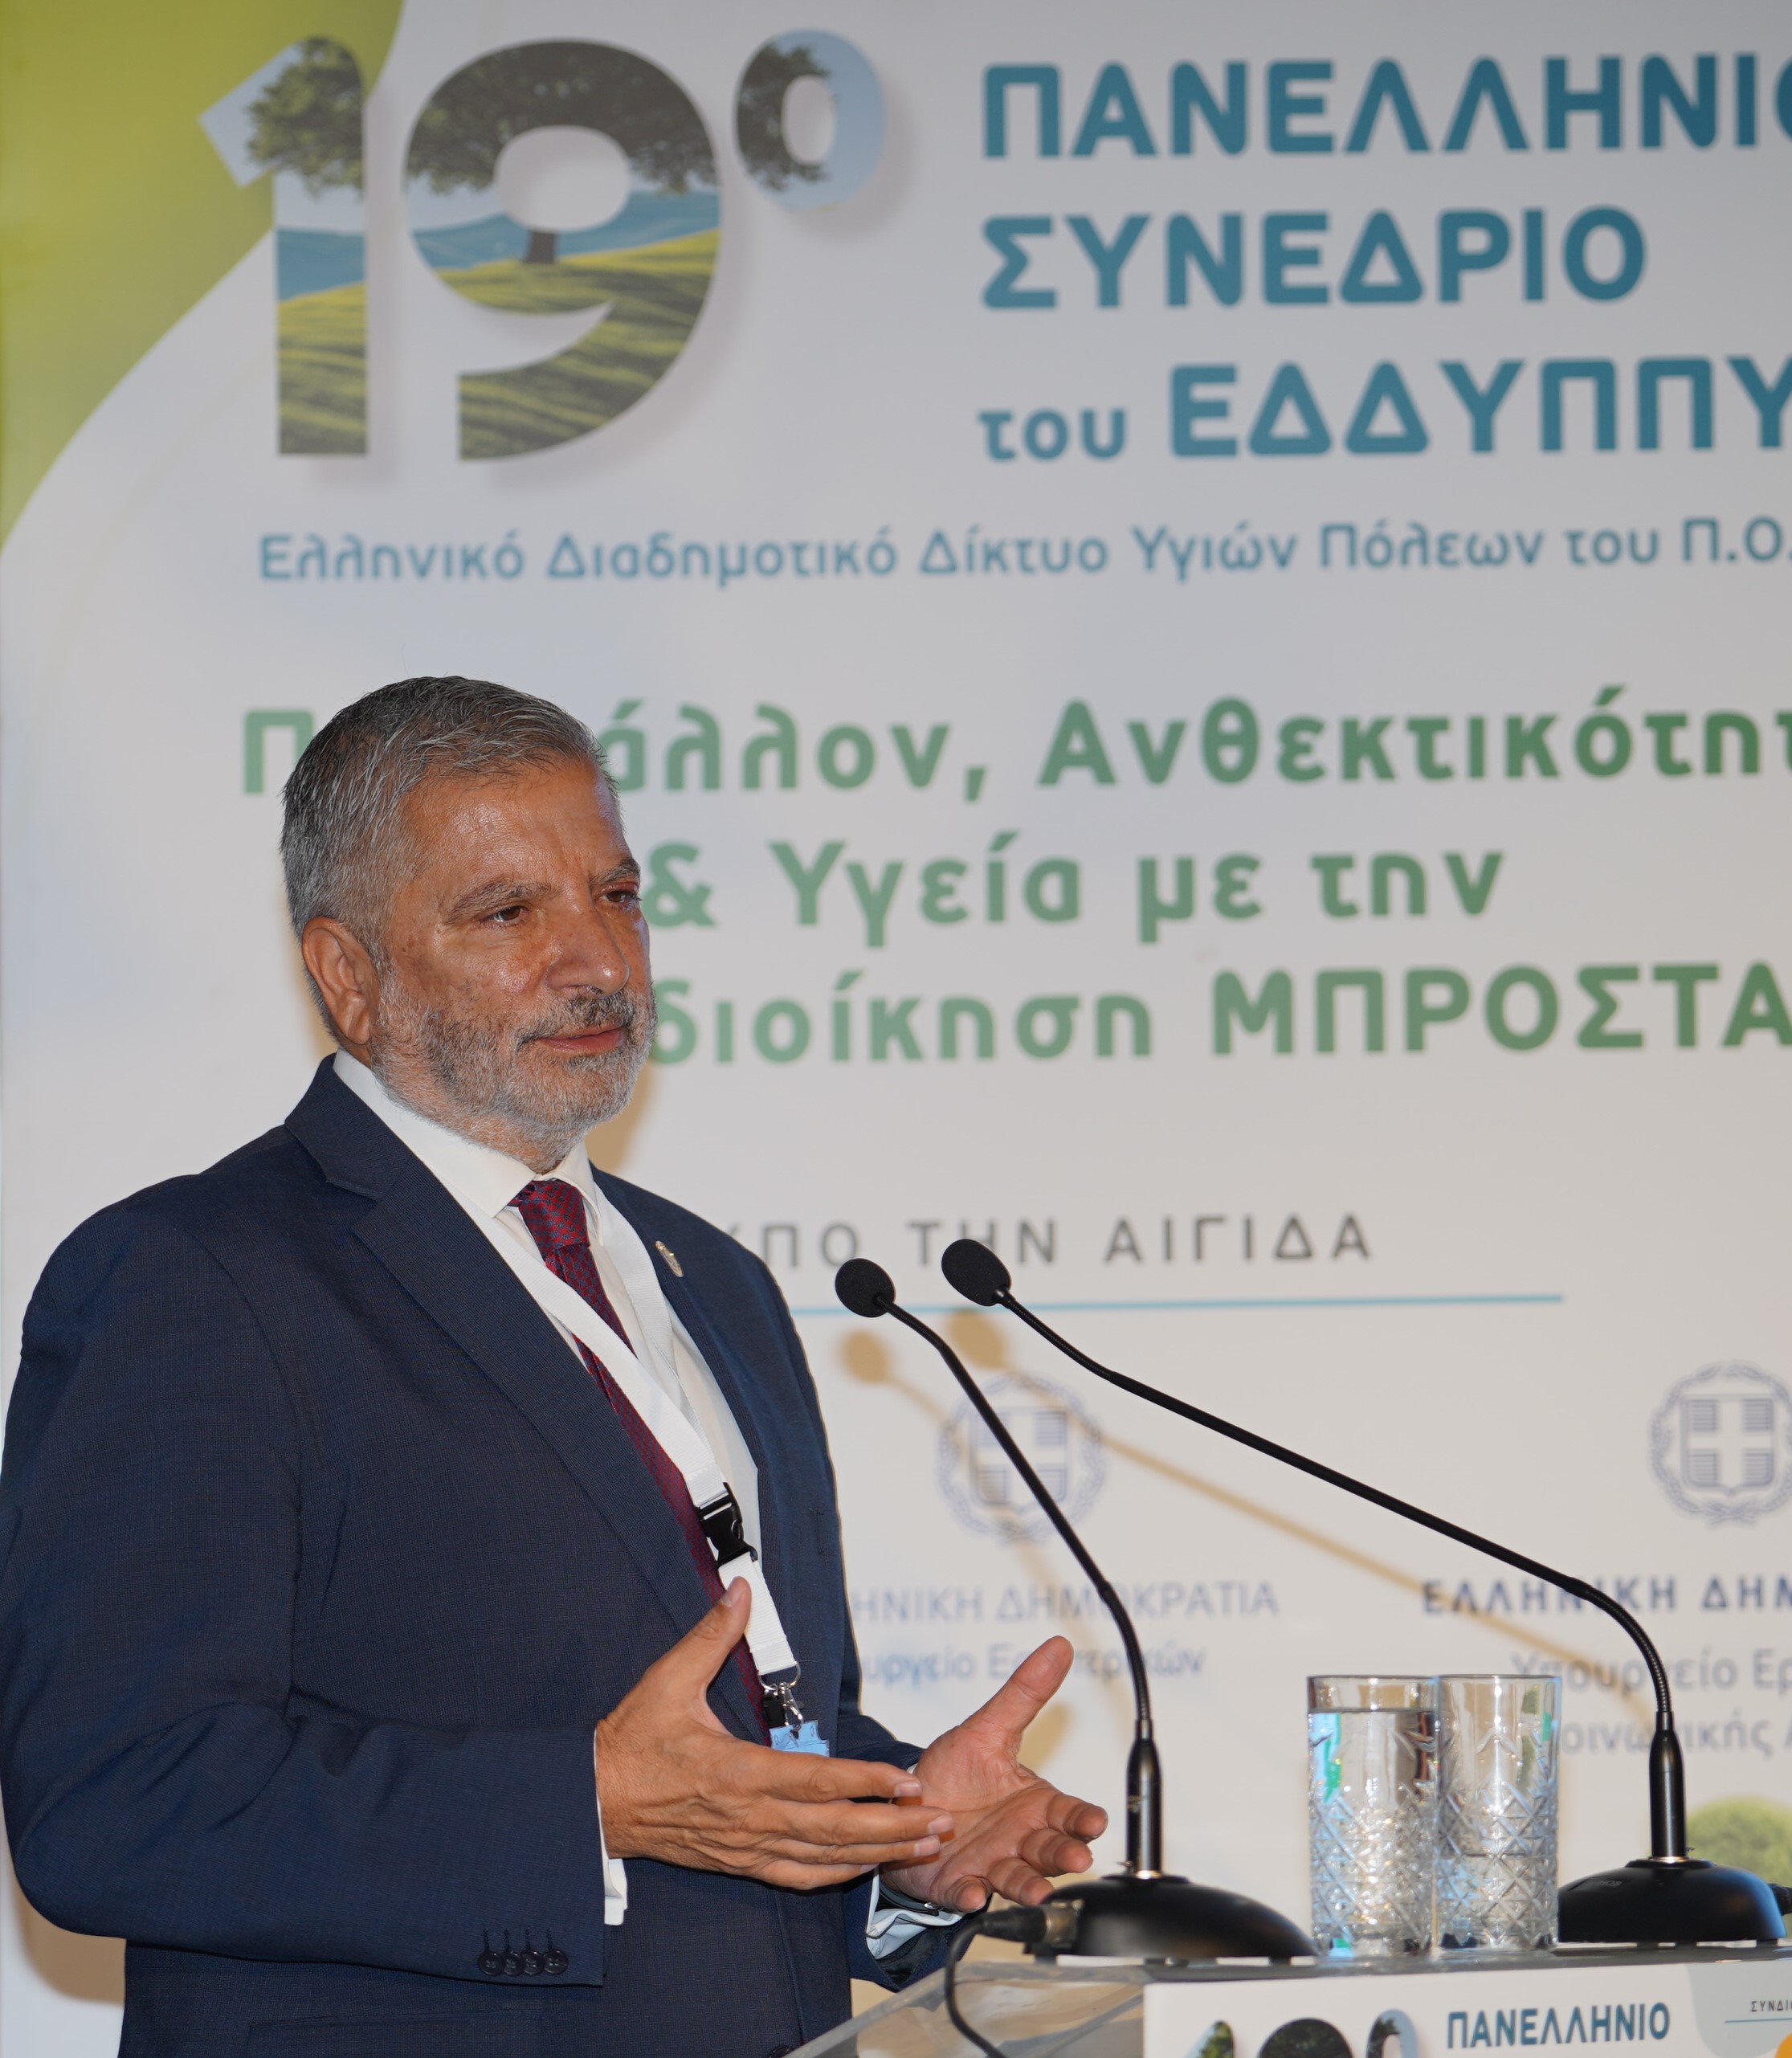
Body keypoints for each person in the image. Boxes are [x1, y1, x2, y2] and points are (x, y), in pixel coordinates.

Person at [0, 676, 1107, 2058]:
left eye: (617, 895)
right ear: (348, 975)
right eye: (508, 911)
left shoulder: (716, 1284)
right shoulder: (196, 1277)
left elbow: (746, 1750)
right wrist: (582, 1804)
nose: (596, 958)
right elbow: (112, 1800)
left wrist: (905, 1839)